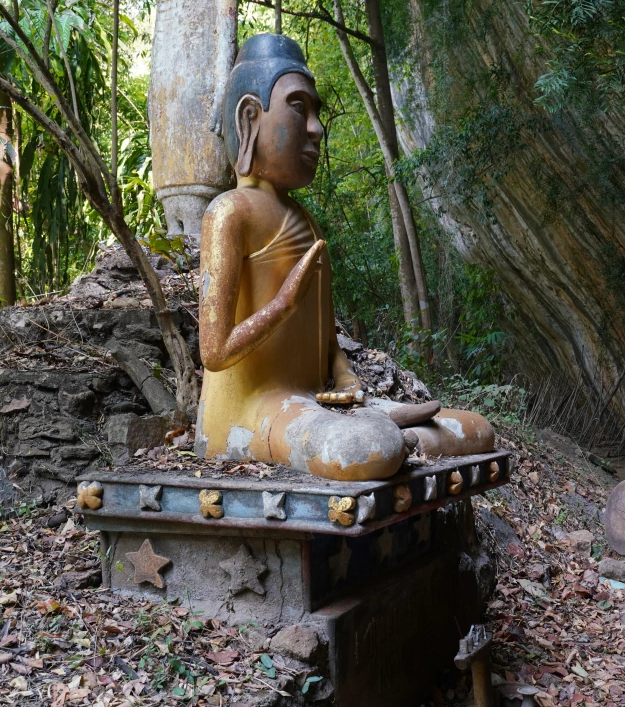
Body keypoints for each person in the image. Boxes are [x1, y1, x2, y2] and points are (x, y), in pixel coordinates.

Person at [195, 34, 494, 480]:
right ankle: (388, 439)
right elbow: (214, 352)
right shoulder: (228, 213)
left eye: (315, 112)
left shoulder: (307, 222)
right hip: (251, 412)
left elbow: (324, 337)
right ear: (250, 117)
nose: (316, 128)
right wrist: (283, 303)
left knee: (475, 428)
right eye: (299, 108)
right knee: (363, 449)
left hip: (311, 403)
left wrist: (345, 377)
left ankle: (393, 437)